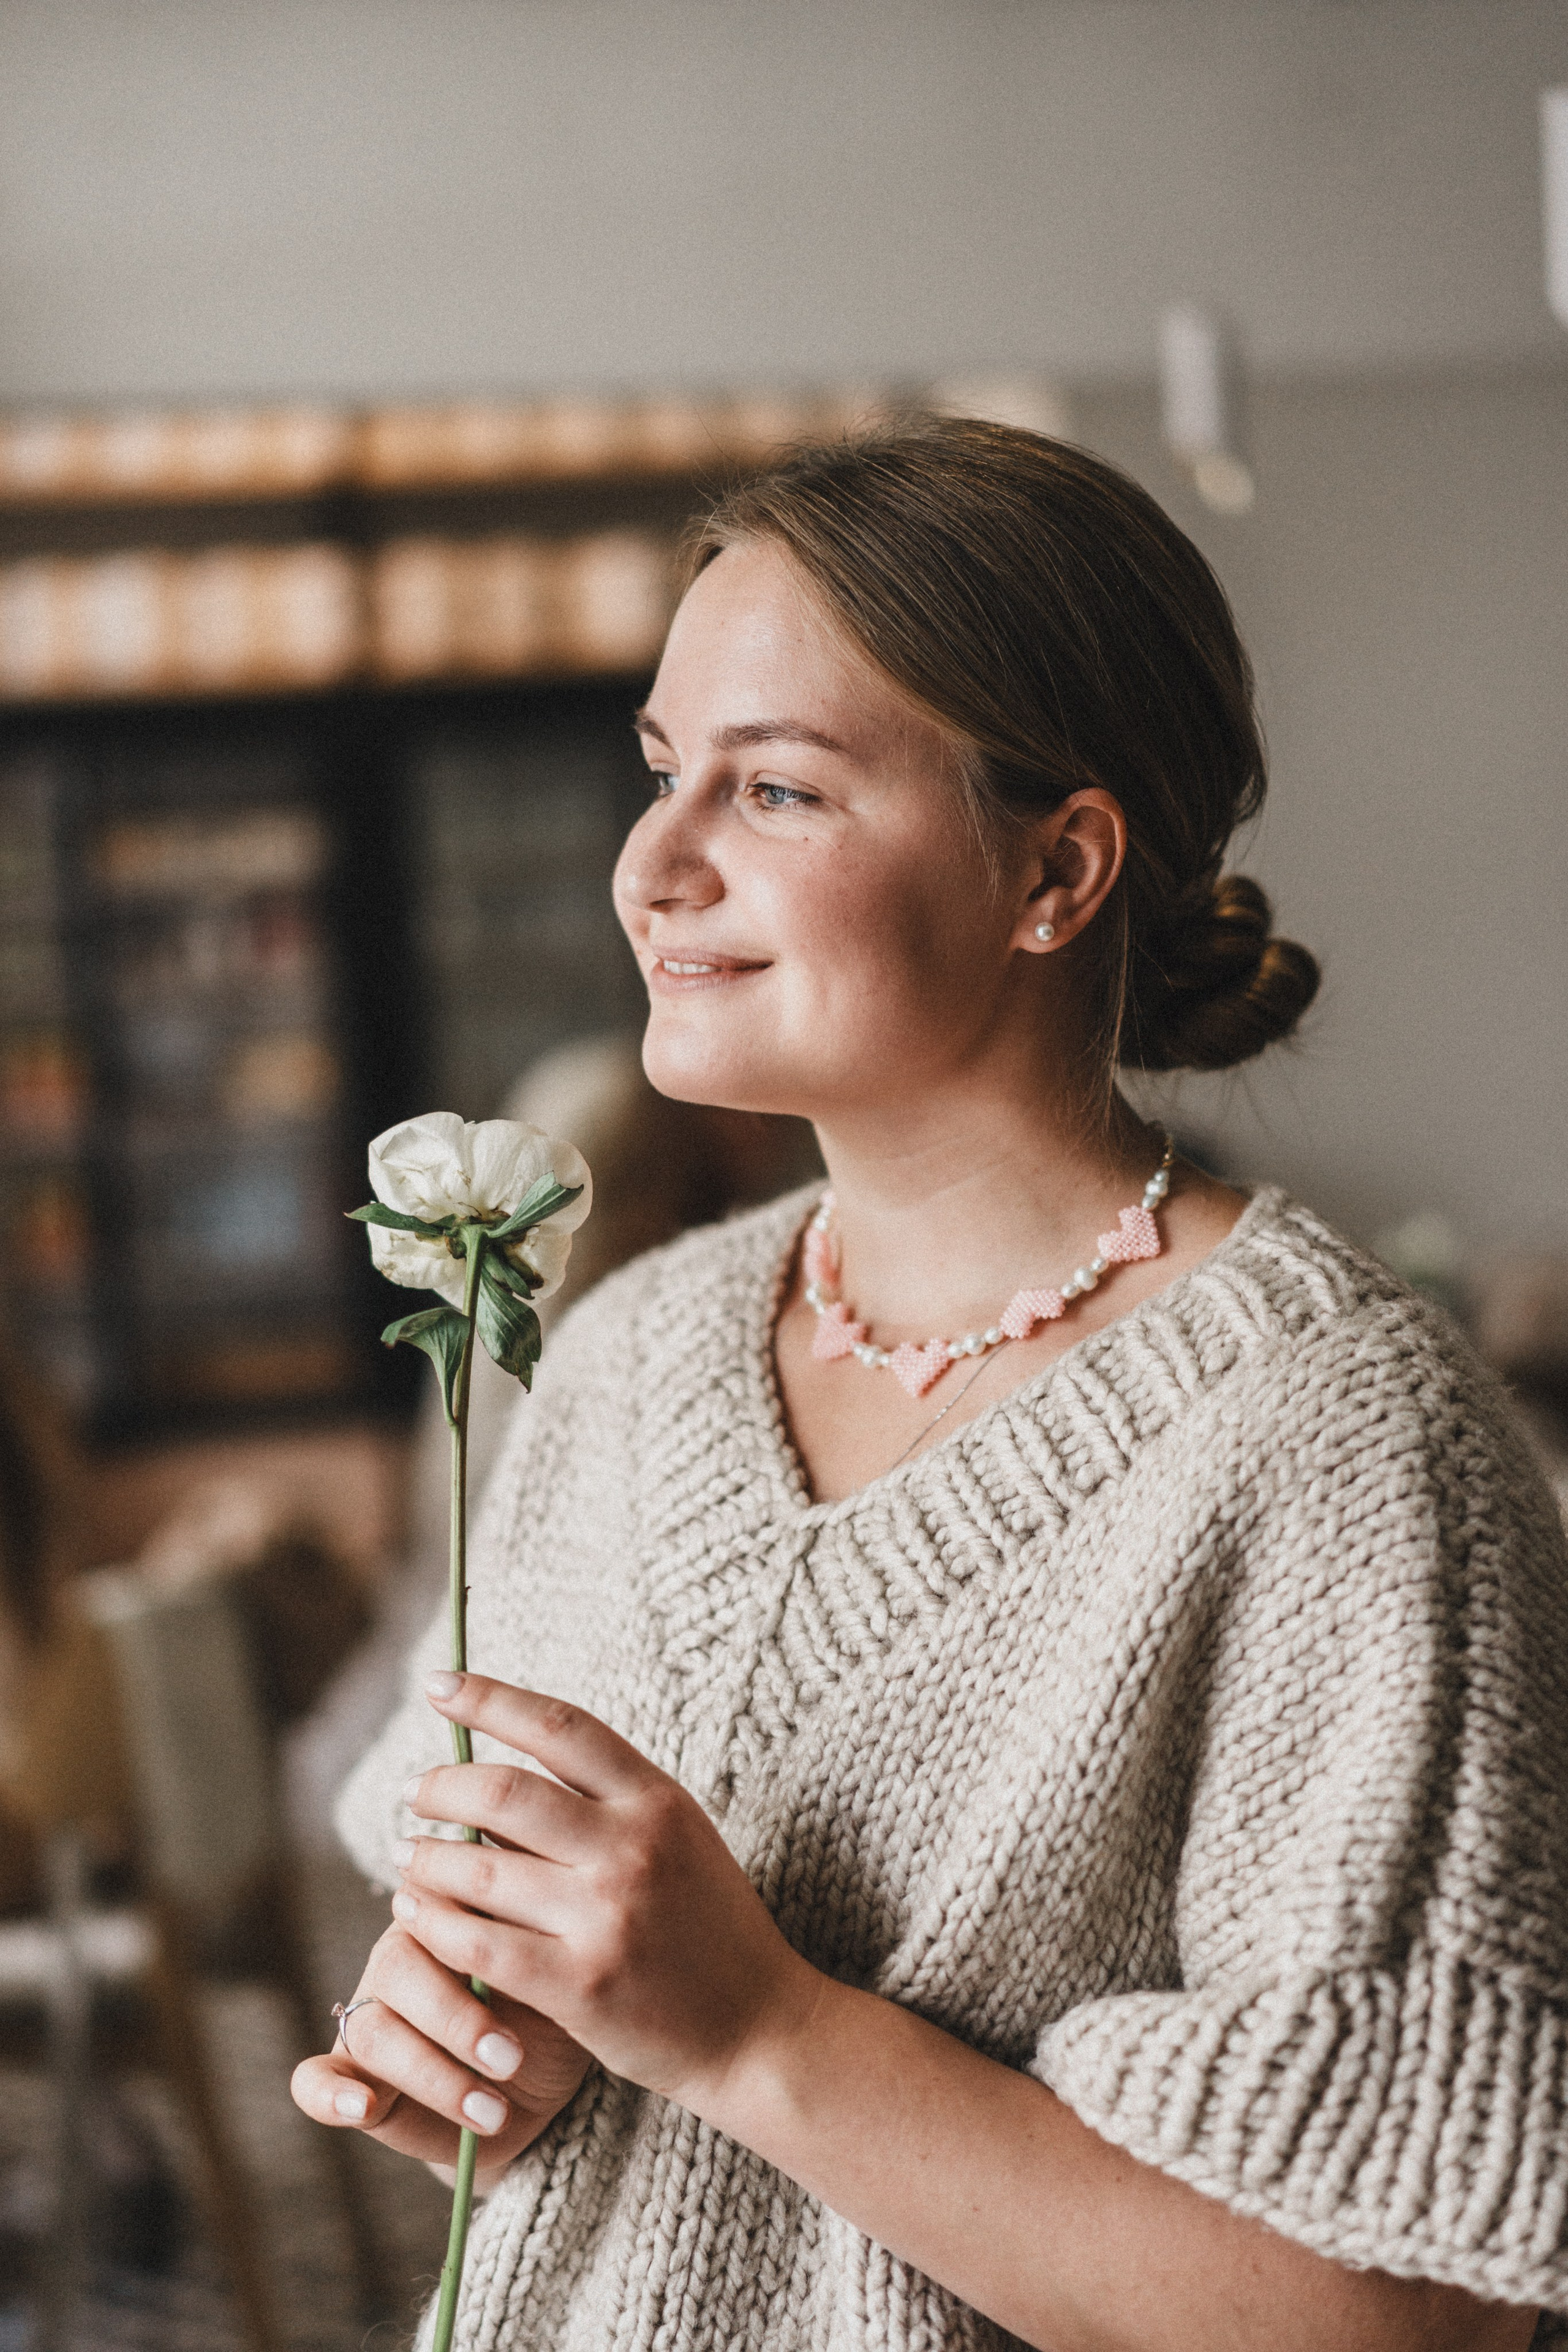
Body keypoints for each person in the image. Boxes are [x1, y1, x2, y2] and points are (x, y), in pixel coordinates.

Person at [293, 421, 1567, 2350]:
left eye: (778, 791)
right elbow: (517, 1951)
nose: (654, 865)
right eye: (661, 775)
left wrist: (763, 2035)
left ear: (1055, 868)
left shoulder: (1341, 1437)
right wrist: (502, 2037)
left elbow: (1400, 2315)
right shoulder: (630, 1349)